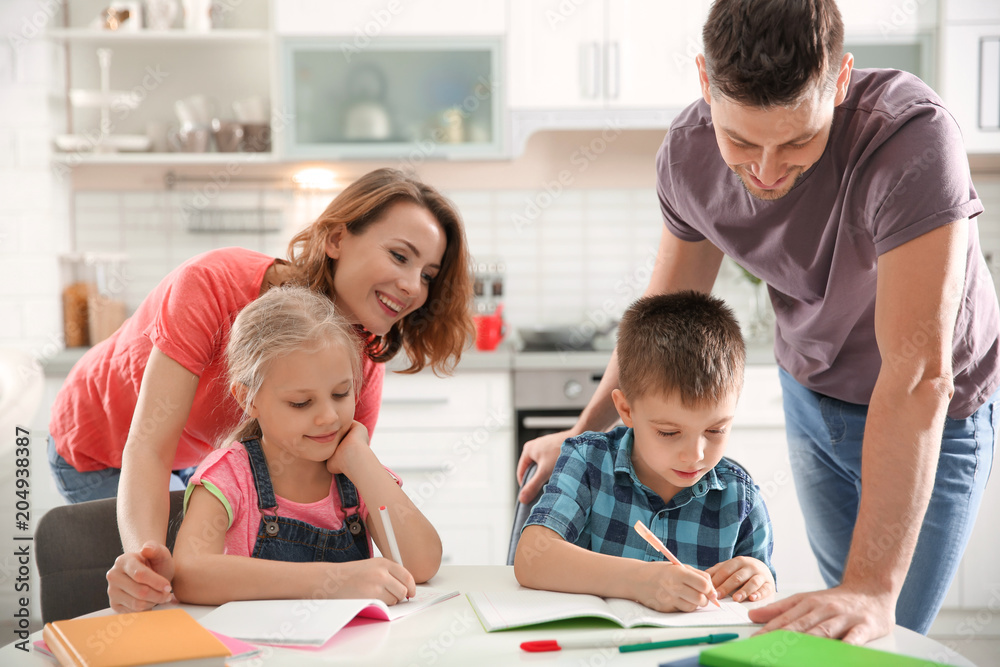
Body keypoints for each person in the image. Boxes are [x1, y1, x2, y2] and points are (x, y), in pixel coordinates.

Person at [517, 0, 999, 644]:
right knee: (835, 613)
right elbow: (655, 333)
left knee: (884, 631)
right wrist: (577, 439)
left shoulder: (908, 140)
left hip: (930, 405)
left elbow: (916, 374)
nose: (767, 172)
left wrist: (872, 589)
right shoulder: (689, 157)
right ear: (704, 84)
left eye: (799, 139)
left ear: (843, 80)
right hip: (813, 390)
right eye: (741, 140)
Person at [47, 168, 473, 613]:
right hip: (101, 443)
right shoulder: (212, 285)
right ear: (336, 239)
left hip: (200, 458)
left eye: (428, 275)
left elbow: (339, 482)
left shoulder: (359, 360)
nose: (412, 287)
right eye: (400, 257)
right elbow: (150, 448)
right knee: (147, 592)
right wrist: (147, 564)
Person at [172, 286, 440, 605]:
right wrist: (335, 581)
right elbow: (188, 573)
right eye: (301, 403)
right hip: (262, 649)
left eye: (341, 394)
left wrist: (360, 459)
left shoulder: (358, 474)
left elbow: (422, 564)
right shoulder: (231, 476)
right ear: (249, 398)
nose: (328, 417)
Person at [514, 292, 775, 611]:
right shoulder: (589, 464)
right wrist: (640, 581)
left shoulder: (741, 499)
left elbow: (762, 597)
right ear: (626, 409)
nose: (694, 455)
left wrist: (761, 577)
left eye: (715, 430)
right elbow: (530, 558)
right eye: (669, 432)